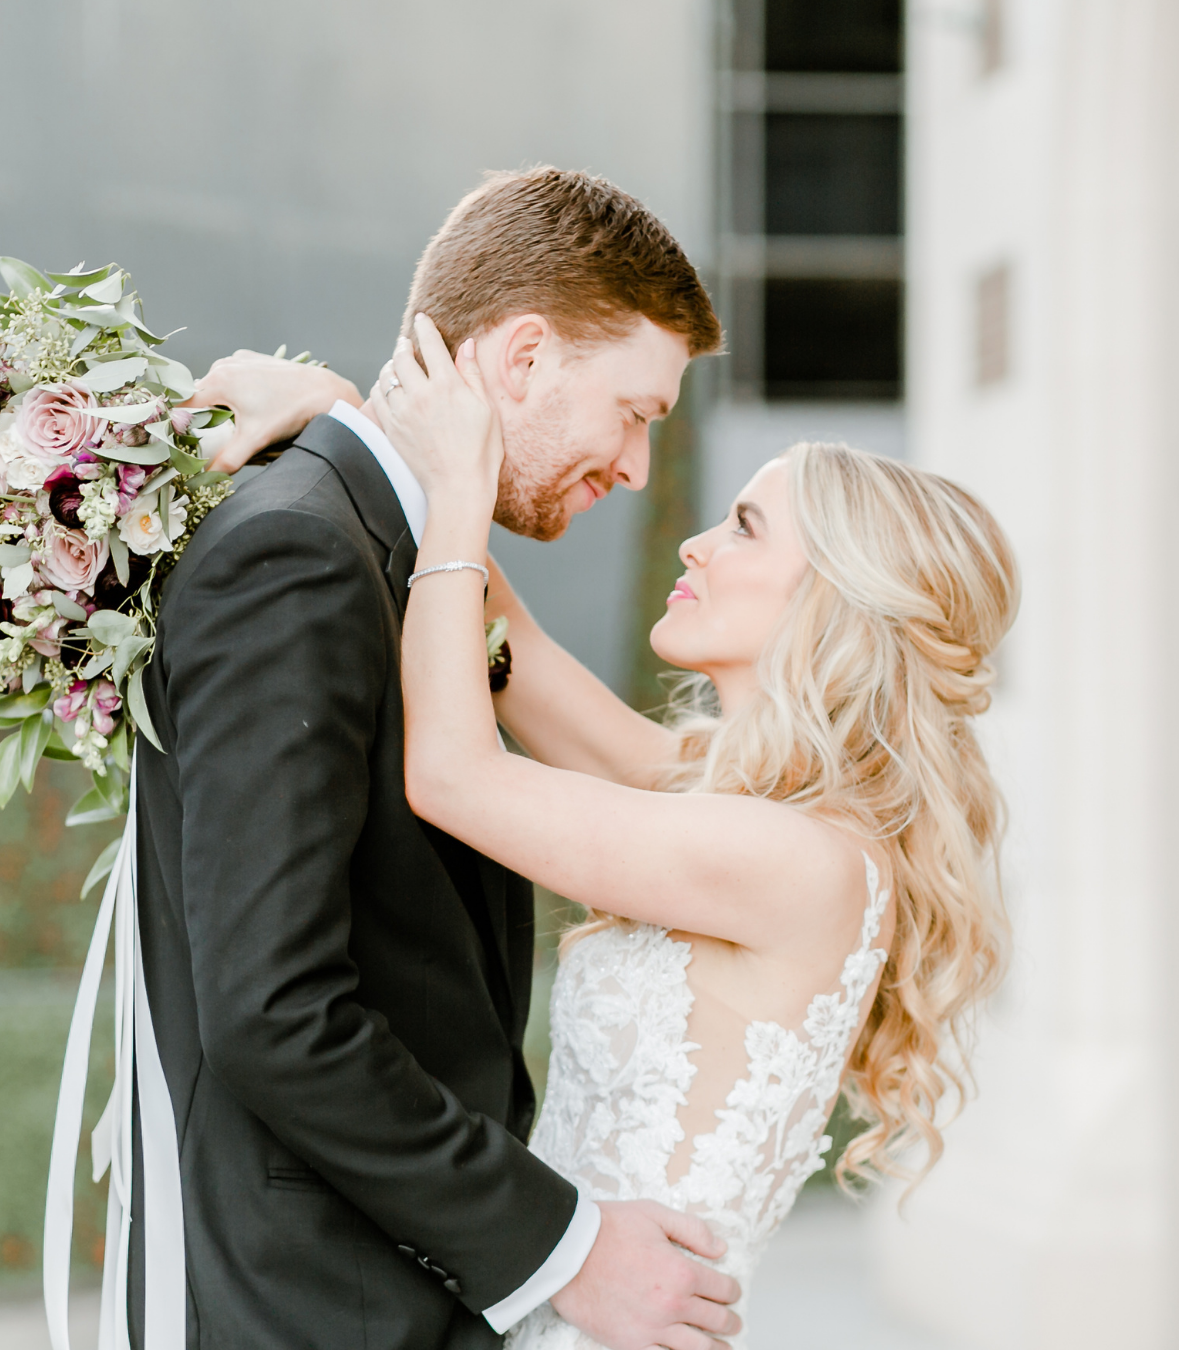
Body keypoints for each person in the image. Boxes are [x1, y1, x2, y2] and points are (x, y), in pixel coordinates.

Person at [219, 313, 1020, 1348]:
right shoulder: (725, 804)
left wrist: (464, 493)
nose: (695, 541)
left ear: (833, 603)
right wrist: (346, 412)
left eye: (744, 526)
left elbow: (455, 777)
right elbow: (515, 647)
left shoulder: (797, 862)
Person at [132, 167, 739, 1350]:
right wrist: (563, 1248)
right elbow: (271, 1012)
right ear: (521, 360)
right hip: (318, 1305)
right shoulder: (303, 558)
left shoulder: (388, 549)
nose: (635, 468)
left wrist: (341, 405)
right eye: (637, 413)